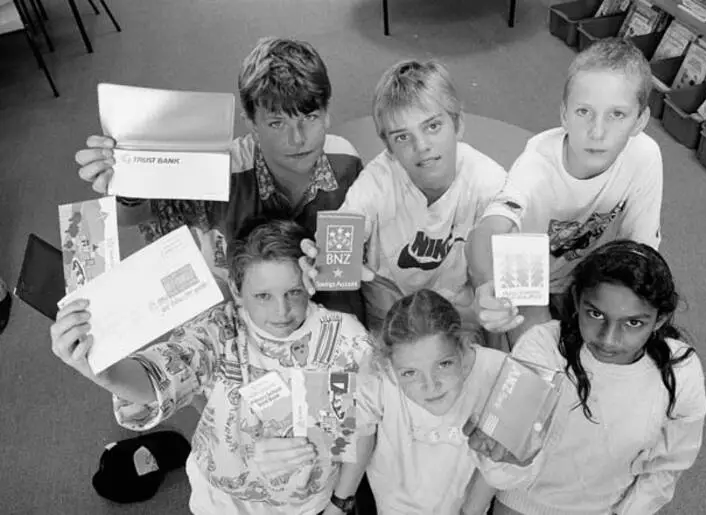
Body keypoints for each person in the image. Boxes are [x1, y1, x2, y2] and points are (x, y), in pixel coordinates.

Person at [50, 220, 375, 515]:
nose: (282, 311)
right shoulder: (219, 329)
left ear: (309, 281)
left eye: (293, 292)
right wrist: (102, 372)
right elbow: (161, 375)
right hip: (221, 501)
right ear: (236, 290)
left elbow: (358, 431)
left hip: (307, 505)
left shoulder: (345, 340)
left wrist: (340, 503)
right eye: (262, 295)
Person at [74, 36, 365, 322]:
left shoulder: (346, 162)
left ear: (327, 113)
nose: (297, 139)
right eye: (277, 123)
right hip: (244, 308)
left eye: (310, 117)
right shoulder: (222, 173)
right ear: (251, 124)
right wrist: (125, 179)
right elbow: (137, 214)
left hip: (323, 301)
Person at [464, 240, 706, 515]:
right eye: (596, 314)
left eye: (633, 323)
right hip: (522, 506)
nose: (609, 339)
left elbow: (669, 465)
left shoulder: (681, 370)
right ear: (578, 300)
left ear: (660, 320)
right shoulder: (542, 347)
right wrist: (506, 460)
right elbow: (501, 471)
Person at [468, 38, 662, 347]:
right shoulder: (536, 165)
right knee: (545, 365)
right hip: (527, 274)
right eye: (584, 111)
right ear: (564, 115)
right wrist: (484, 287)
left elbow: (640, 252)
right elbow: (487, 231)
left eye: (617, 115)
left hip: (592, 273)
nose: (597, 131)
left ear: (640, 120)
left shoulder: (646, 156)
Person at [302, 59, 507, 332]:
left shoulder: (489, 182)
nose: (422, 146)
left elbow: (500, 261)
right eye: (402, 137)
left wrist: (491, 300)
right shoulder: (377, 183)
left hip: (455, 307)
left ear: (457, 125)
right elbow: (341, 238)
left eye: (432, 126)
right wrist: (321, 261)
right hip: (389, 304)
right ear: (388, 147)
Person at [353, 289, 521, 514]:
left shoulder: (499, 373)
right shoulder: (375, 374)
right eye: (410, 373)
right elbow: (355, 437)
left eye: (444, 364)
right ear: (389, 364)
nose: (430, 386)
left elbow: (496, 465)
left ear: (463, 346)